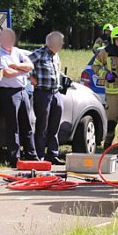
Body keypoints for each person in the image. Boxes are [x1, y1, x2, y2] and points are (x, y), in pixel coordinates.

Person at [0, 29, 37, 166]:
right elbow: (6, 72)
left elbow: (30, 66)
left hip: (23, 91)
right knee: (13, 126)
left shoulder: (17, 52)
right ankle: (14, 158)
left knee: (27, 125)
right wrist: (23, 73)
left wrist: (17, 67)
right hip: (8, 92)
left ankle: (32, 155)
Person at [92, 26, 118, 149]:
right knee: (111, 122)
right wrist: (105, 74)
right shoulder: (105, 52)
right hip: (112, 93)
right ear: (113, 40)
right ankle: (108, 143)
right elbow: (95, 67)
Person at [28, 31, 66, 165]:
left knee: (54, 125)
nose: (61, 44)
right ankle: (39, 154)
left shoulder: (56, 56)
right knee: (42, 125)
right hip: (42, 93)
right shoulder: (39, 53)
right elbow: (25, 64)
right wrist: (32, 78)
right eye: (59, 42)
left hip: (56, 92)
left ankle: (52, 154)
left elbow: (58, 68)